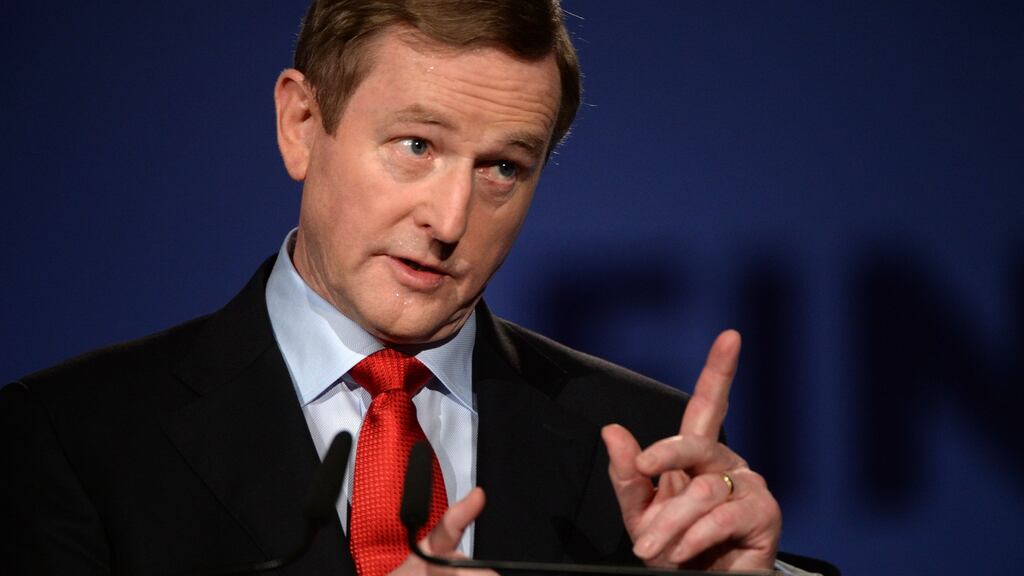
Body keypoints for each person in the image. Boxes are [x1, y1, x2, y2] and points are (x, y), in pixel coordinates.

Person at [1, 1, 835, 575]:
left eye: (503, 167)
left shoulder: (644, 456)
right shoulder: (72, 442)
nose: (448, 217)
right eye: (415, 146)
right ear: (301, 124)